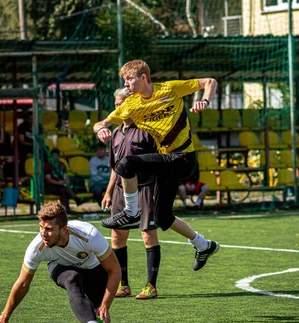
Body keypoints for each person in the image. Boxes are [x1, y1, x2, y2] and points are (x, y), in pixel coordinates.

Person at [93, 59, 220, 271]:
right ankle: (204, 245)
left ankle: (131, 211)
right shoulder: (131, 105)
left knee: (126, 165)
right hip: (165, 163)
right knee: (163, 218)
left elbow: (210, 81)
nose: (126, 84)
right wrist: (100, 130)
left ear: (143, 78)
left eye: (129, 79)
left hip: (183, 158)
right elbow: (102, 122)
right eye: (124, 80)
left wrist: (205, 101)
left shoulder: (170, 88)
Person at [0, 201, 121, 323]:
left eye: (48, 229)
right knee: (72, 279)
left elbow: (114, 270)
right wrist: (5, 315)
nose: (42, 233)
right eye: (41, 227)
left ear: (63, 229)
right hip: (60, 267)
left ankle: (95, 322)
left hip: (92, 268)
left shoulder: (88, 234)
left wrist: (105, 304)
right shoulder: (37, 247)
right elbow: (22, 283)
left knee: (99, 310)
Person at [102, 88, 160, 300]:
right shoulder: (116, 132)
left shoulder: (148, 129)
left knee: (147, 234)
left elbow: (160, 160)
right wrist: (108, 192)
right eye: (116, 105)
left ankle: (151, 286)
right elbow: (114, 167)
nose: (119, 108)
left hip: (145, 187)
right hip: (120, 190)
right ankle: (123, 285)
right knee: (117, 236)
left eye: (122, 104)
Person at [44, 148, 83, 213]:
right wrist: (60, 183)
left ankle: (66, 210)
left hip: (61, 186)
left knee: (64, 190)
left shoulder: (61, 165)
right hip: (50, 187)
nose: (55, 157)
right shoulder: (48, 165)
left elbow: (65, 176)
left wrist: (66, 181)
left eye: (57, 155)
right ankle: (74, 200)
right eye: (54, 155)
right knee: (63, 189)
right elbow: (48, 180)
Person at [89, 143, 111, 207]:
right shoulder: (92, 161)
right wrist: (107, 176)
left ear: (104, 150)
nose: (99, 151)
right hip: (96, 183)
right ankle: (103, 207)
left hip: (108, 182)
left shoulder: (109, 159)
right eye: (97, 150)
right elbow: (94, 176)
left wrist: (100, 174)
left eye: (101, 149)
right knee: (97, 191)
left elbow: (112, 173)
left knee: (117, 189)